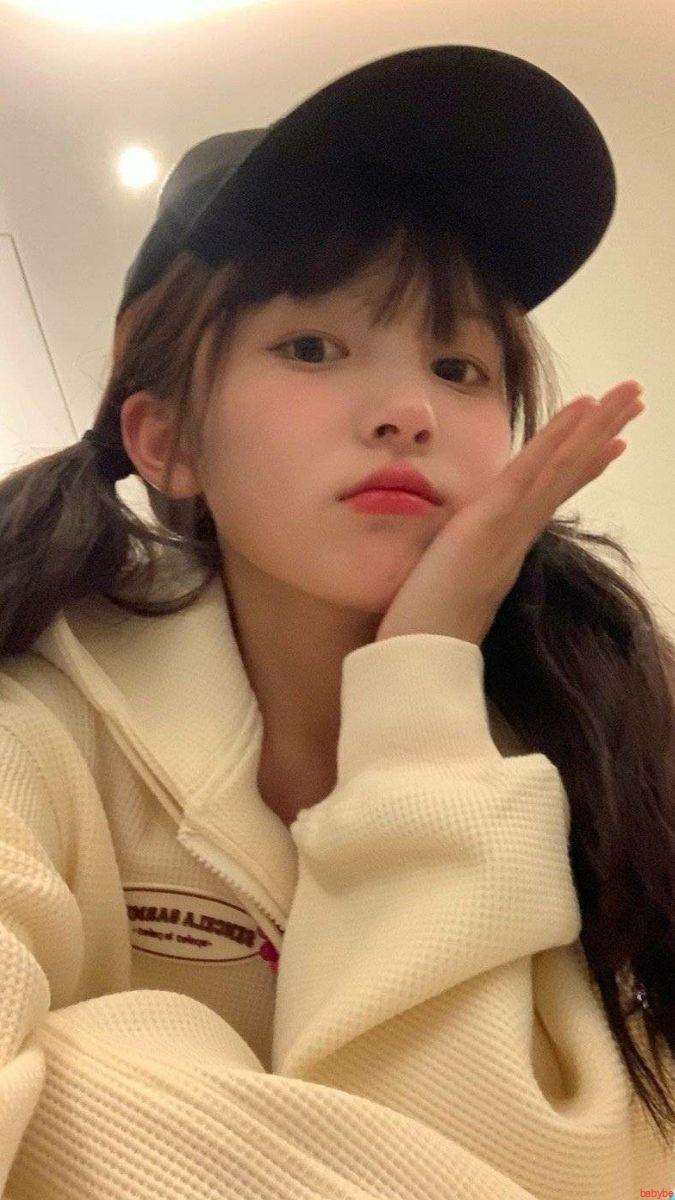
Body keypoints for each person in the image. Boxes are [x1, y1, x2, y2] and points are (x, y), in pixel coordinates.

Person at [0, 43, 673, 1200]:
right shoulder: (43, 720)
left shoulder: (614, 726)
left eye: (460, 366)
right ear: (167, 442)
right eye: (310, 347)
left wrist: (424, 674)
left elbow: (582, 1165)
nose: (410, 410)